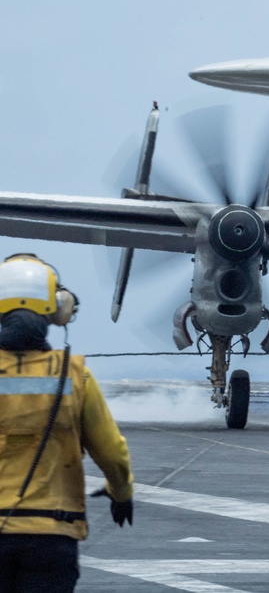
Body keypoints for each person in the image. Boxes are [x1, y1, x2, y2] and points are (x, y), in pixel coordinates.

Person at [0, 254, 134, 592]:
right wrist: (122, 492)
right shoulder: (74, 377)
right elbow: (111, 452)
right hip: (51, 539)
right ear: (58, 310)